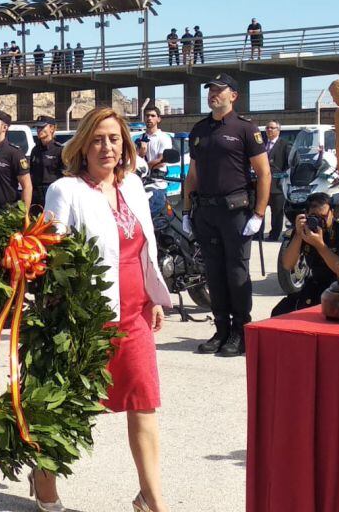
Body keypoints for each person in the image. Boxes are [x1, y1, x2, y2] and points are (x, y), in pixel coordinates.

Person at [42, 107, 171, 512]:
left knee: (144, 402)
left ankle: (151, 497)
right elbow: (51, 257)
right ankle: (44, 480)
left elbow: (145, 246)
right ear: (82, 145)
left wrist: (153, 298)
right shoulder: (66, 191)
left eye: (114, 139)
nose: (107, 147)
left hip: (135, 313)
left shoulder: (133, 185)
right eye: (98, 139)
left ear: (125, 145)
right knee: (69, 407)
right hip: (87, 318)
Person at [182, 73, 271, 357]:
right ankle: (221, 329)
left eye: (219, 90)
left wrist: (258, 213)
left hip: (236, 211)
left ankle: (240, 332)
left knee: (236, 273)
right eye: (211, 90)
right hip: (206, 211)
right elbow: (193, 174)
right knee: (214, 273)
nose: (213, 94)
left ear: (233, 95)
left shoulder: (246, 129)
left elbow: (264, 173)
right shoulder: (199, 130)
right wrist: (186, 209)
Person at [271, 192, 339, 316]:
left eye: (323, 217)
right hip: (315, 282)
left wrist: (320, 245)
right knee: (279, 312)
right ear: (307, 214)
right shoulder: (304, 230)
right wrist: (298, 235)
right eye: (314, 217)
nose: (319, 222)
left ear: (332, 212)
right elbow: (287, 264)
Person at [29, 116, 64, 212]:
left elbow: (65, 176)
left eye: (42, 127)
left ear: (52, 128)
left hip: (52, 193)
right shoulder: (35, 150)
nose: (38, 130)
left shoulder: (60, 150)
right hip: (36, 195)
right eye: (37, 127)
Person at [263, 121, 290, 241]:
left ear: (278, 130)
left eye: (272, 128)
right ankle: (257, 234)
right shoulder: (261, 143)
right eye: (267, 128)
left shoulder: (285, 145)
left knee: (277, 212)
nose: (269, 130)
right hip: (261, 184)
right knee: (259, 210)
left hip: (277, 185)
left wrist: (282, 176)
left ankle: (274, 235)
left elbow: (291, 164)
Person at [140, 105, 170, 175]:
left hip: (158, 182)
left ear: (158, 119)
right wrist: (141, 154)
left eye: (153, 116)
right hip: (142, 179)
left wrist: (142, 167)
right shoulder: (139, 138)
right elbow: (133, 159)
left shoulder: (164, 138)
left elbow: (161, 161)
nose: (149, 118)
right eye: (147, 116)